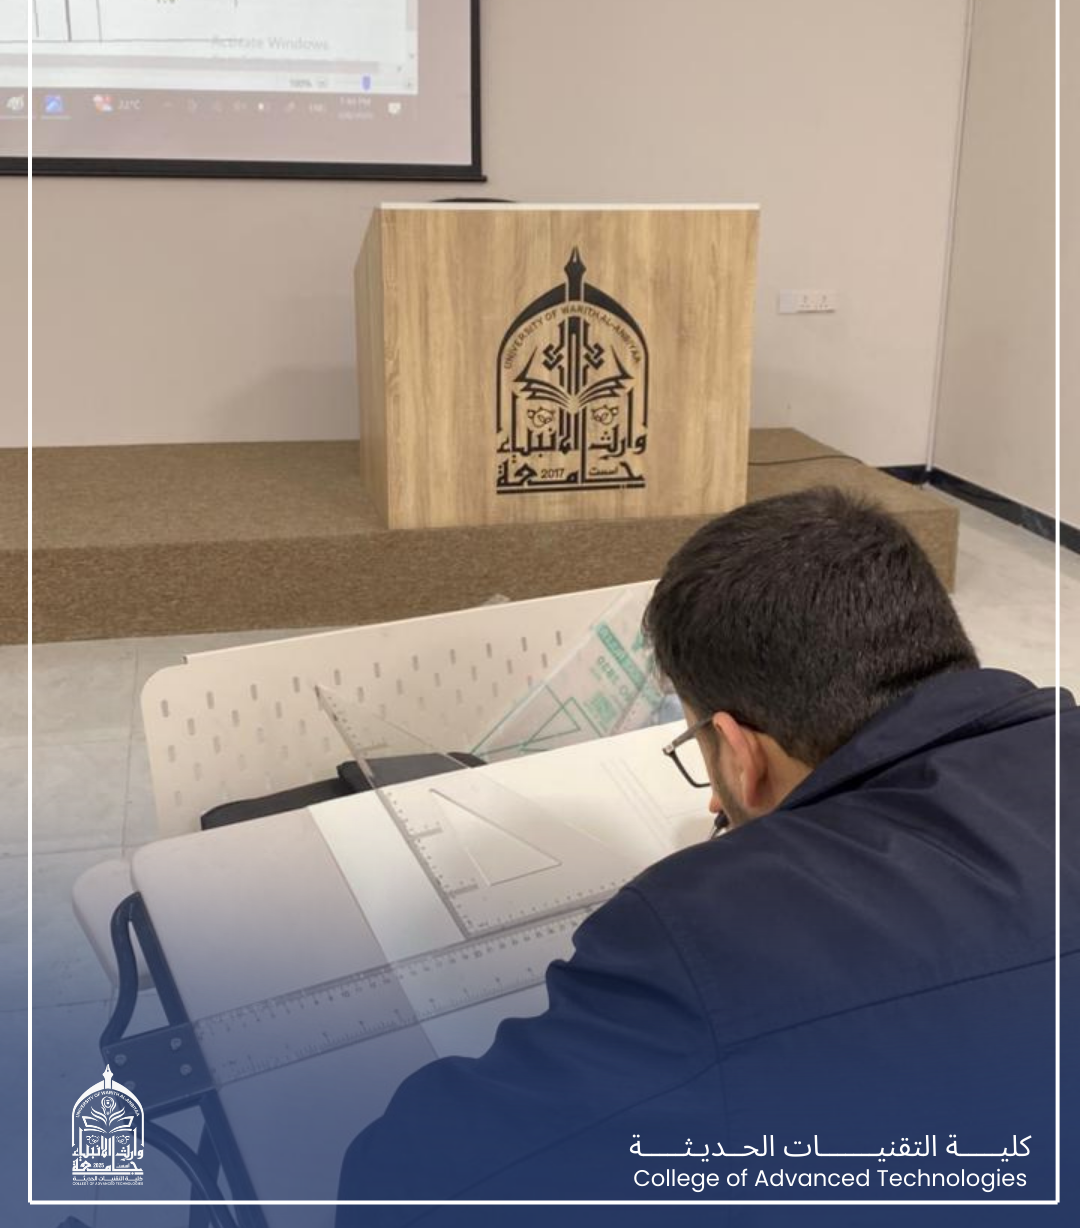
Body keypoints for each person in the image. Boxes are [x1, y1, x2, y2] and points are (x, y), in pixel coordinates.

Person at [337, 487, 1077, 1225]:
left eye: (698, 747)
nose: (716, 801)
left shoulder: (708, 937)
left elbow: (400, 1187)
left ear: (739, 752)